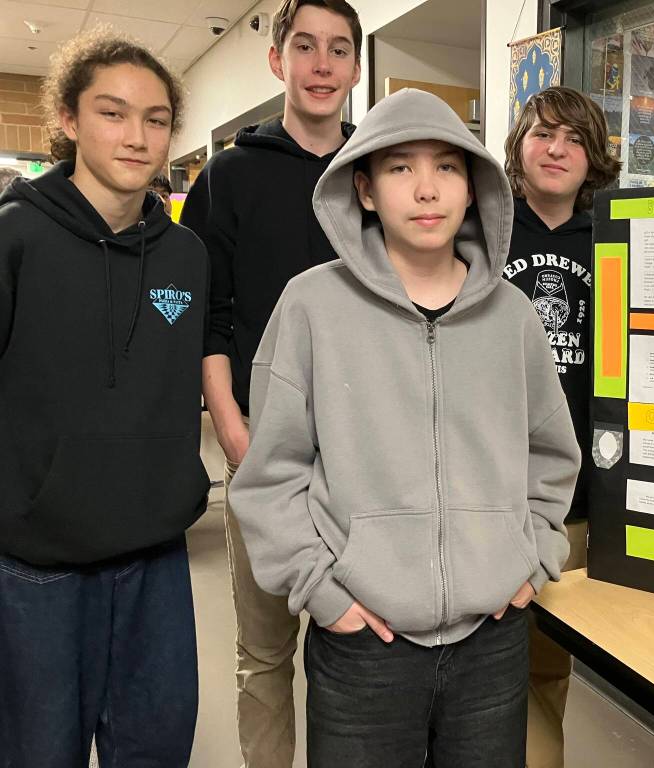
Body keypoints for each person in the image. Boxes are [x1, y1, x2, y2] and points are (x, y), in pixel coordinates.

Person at [229, 87, 581, 768]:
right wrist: (325, 594)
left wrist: (533, 558)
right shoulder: (311, 306)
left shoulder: (512, 315)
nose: (426, 189)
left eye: (447, 167)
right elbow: (270, 473)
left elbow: (550, 453)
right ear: (362, 189)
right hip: (364, 643)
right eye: (399, 168)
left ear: (474, 187)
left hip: (493, 638)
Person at [0, 29, 209, 768]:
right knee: (38, 753)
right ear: (68, 119)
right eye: (113, 113)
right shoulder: (15, 239)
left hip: (155, 558)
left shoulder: (185, 253)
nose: (136, 136)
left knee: (155, 750)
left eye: (156, 119)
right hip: (38, 566)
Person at [179, 1, 361, 764]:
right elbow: (206, 319)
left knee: (356, 656)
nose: (322, 65)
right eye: (306, 47)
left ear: (355, 66)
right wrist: (231, 427)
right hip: (264, 451)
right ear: (278, 60)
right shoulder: (227, 177)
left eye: (340, 50)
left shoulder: (376, 169)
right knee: (263, 655)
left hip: (364, 459)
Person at [502, 86, 620, 768]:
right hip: (482, 487)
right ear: (519, 147)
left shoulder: (615, 239)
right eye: (543, 134)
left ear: (593, 157)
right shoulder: (480, 228)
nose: (557, 149)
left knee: (547, 665)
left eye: (575, 139)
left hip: (570, 496)